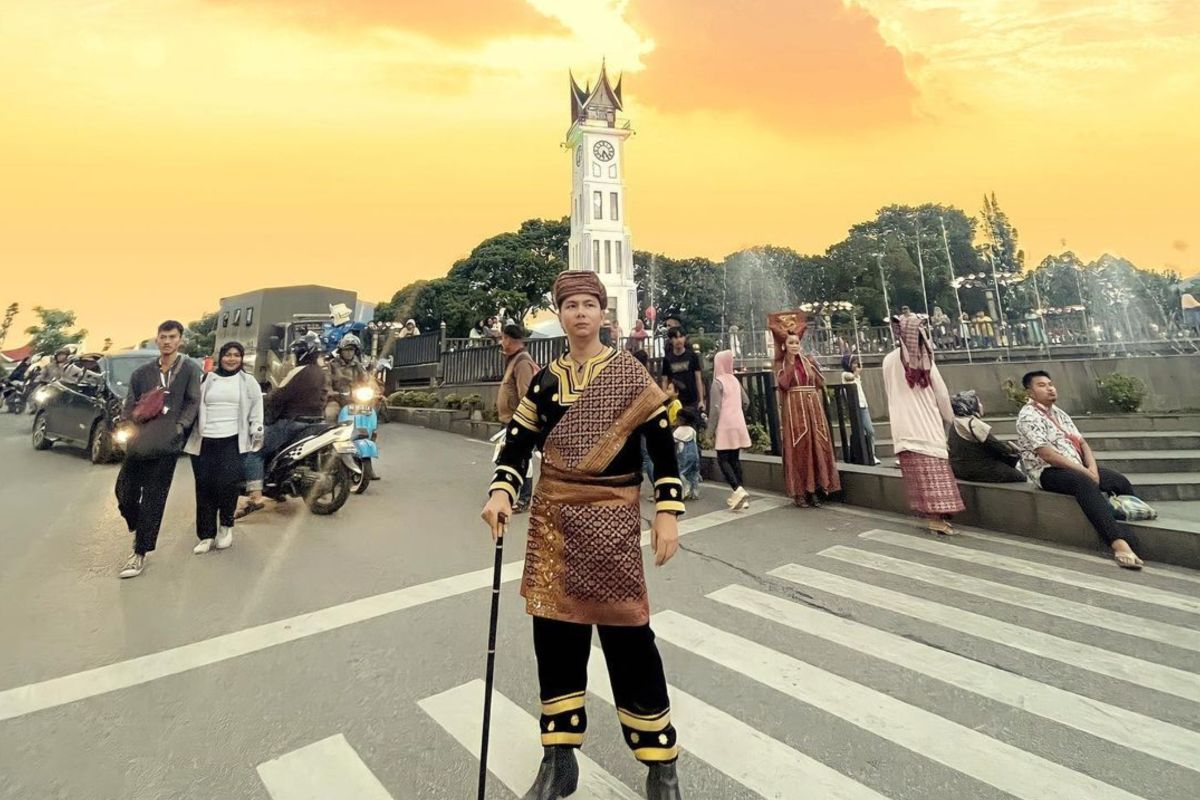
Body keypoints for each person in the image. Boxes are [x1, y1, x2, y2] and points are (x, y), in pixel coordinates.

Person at [481, 270, 685, 800]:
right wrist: (502, 491)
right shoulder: (547, 379)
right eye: (569, 305)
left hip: (614, 518)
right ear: (561, 314)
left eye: (587, 304)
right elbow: (518, 444)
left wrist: (667, 511)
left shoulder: (630, 374)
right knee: (555, 636)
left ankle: (660, 763)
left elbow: (662, 450)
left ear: (602, 314)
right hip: (554, 520)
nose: (579, 313)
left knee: (629, 638)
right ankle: (558, 759)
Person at [1015, 370, 1144, 568]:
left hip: (1078, 466)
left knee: (1118, 481)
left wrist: (1091, 468)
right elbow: (1046, 454)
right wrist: (1085, 473)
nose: (1050, 388)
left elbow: (1082, 444)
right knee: (1083, 483)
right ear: (1030, 392)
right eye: (1042, 385)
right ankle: (1118, 543)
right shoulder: (1028, 416)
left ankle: (1131, 526)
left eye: (1050, 384)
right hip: (1048, 472)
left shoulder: (1059, 413)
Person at [115, 320, 202, 578]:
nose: (167, 341)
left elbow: (193, 401)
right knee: (124, 492)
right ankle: (139, 525)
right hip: (139, 442)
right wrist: (125, 426)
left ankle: (139, 552)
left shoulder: (189, 369)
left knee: (154, 497)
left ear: (180, 340)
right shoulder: (142, 373)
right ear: (156, 340)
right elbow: (130, 404)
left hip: (166, 443)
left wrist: (180, 427)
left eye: (172, 337)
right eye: (163, 337)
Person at [882, 310, 963, 534]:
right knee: (934, 474)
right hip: (925, 424)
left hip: (901, 425)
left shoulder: (888, 359)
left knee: (918, 476)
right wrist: (951, 419)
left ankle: (932, 516)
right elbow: (942, 394)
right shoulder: (925, 361)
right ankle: (937, 519)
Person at [184, 341, 264, 554]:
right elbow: (193, 404)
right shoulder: (207, 379)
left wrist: (256, 428)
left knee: (227, 485)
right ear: (220, 357)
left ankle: (226, 526)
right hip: (204, 439)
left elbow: (257, 408)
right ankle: (206, 535)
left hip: (233, 439)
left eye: (236, 355)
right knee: (204, 486)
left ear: (241, 358)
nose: (231, 359)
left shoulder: (248, 381)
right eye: (227, 354)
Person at [238, 333, 328, 517]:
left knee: (255, 449)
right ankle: (276, 489)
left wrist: (262, 401)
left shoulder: (298, 371)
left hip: (293, 422)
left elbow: (279, 395)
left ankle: (255, 495)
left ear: (302, 353)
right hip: (315, 421)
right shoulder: (320, 372)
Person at [769, 311, 840, 507]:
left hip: (812, 406)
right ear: (785, 345)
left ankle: (817, 488)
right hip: (795, 408)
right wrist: (791, 363)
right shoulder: (781, 363)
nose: (794, 346)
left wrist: (815, 366)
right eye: (790, 343)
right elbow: (783, 383)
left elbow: (819, 381)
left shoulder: (807, 360)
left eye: (796, 343)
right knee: (800, 446)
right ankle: (800, 491)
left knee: (817, 443)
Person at [497, 324, 539, 513]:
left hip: (517, 420)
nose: (501, 342)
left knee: (522, 459)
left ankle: (523, 498)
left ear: (509, 339)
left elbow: (526, 395)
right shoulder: (513, 360)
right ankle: (510, 492)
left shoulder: (522, 362)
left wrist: (523, 422)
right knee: (508, 457)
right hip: (509, 419)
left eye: (503, 338)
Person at [948, 390, 1024, 483]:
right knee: (1020, 477)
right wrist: (1012, 450)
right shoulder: (972, 423)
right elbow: (996, 445)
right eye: (978, 402)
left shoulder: (956, 422)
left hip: (958, 469)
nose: (981, 405)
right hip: (978, 468)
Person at [709, 349, 751, 509]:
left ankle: (737, 489)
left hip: (724, 424)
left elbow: (715, 408)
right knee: (735, 459)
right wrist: (738, 412)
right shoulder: (734, 380)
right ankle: (741, 495)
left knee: (723, 459)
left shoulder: (717, 382)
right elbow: (746, 402)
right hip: (738, 422)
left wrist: (709, 431)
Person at [840, 354, 879, 465]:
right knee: (862, 432)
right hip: (855, 407)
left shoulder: (856, 376)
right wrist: (857, 373)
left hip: (863, 405)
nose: (855, 365)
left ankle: (872, 454)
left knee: (870, 431)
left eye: (856, 362)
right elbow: (850, 378)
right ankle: (865, 455)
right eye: (853, 363)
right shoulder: (845, 374)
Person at [659, 328, 705, 416]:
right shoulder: (667, 359)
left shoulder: (692, 356)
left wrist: (701, 400)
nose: (678, 340)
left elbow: (698, 379)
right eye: (675, 337)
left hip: (692, 400)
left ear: (684, 338)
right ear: (671, 340)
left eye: (681, 336)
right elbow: (664, 380)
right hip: (675, 401)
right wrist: (664, 400)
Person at [327, 333, 368, 415]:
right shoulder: (332, 364)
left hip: (356, 399)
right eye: (346, 350)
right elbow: (326, 382)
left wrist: (372, 391)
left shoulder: (359, 365)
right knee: (330, 414)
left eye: (351, 350)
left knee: (368, 412)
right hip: (336, 399)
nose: (349, 352)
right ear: (340, 351)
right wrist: (330, 391)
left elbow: (367, 381)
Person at [674, 408, 702, 500]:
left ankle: (686, 486)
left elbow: (674, 443)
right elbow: (694, 441)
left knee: (680, 473)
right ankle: (694, 492)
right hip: (694, 454)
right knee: (693, 474)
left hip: (683, 455)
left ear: (681, 420)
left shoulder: (677, 431)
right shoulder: (692, 430)